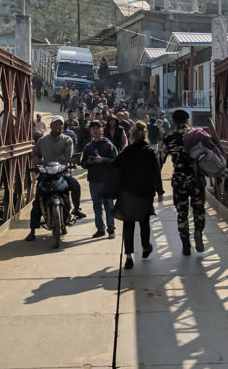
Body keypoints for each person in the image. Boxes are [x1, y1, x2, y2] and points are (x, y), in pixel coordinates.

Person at [113, 121, 164, 269]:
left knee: (128, 224)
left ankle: (128, 257)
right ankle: (146, 247)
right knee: (144, 222)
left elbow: (115, 164)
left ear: (132, 134)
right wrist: (160, 191)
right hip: (145, 193)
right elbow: (156, 173)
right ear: (145, 133)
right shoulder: (150, 151)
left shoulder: (127, 151)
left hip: (127, 192)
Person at [25, 116, 84, 242]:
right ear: (51, 125)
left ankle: (76, 209)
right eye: (55, 124)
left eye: (60, 125)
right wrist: (39, 163)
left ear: (63, 126)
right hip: (46, 173)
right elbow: (35, 153)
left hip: (62, 172)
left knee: (75, 186)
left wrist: (57, 163)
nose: (58, 127)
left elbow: (68, 156)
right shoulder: (42, 140)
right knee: (37, 200)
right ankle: (32, 230)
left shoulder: (67, 140)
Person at [162, 109, 206, 255]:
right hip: (196, 178)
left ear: (174, 121)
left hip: (179, 179)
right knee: (198, 208)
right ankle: (198, 230)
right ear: (188, 120)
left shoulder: (169, 137)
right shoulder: (197, 135)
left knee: (182, 212)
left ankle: (186, 244)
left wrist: (155, 184)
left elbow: (159, 160)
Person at [81, 120, 120, 239]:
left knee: (109, 206)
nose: (95, 130)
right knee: (97, 206)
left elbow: (117, 162)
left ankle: (111, 229)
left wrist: (103, 160)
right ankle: (100, 229)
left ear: (102, 130)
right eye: (93, 128)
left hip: (107, 181)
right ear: (90, 131)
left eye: (98, 128)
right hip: (93, 181)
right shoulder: (88, 147)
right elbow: (82, 163)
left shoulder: (109, 145)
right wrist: (88, 161)